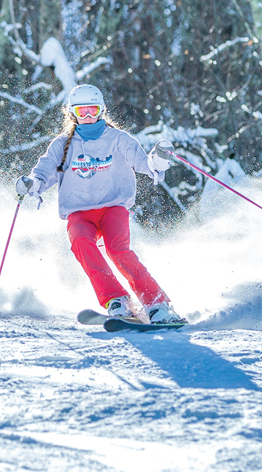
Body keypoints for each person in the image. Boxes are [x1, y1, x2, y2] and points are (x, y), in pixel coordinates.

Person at [16, 84, 183, 324]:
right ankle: (117, 299)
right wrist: (31, 183)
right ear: (72, 113)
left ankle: (157, 303)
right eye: (81, 111)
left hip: (112, 207)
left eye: (92, 111)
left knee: (118, 250)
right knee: (82, 243)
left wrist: (159, 161)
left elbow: (145, 164)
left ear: (101, 111)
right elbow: (43, 172)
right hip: (79, 213)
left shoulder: (118, 139)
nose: (86, 117)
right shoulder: (62, 145)